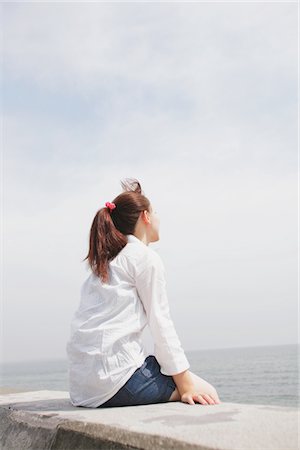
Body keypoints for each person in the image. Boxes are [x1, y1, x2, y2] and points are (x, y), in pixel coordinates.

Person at [66, 178, 221, 408]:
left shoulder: (106, 263)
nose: (158, 217)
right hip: (117, 383)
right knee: (207, 392)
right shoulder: (144, 257)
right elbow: (161, 323)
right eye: (155, 211)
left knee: (162, 369)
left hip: (83, 389)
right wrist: (185, 386)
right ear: (145, 217)